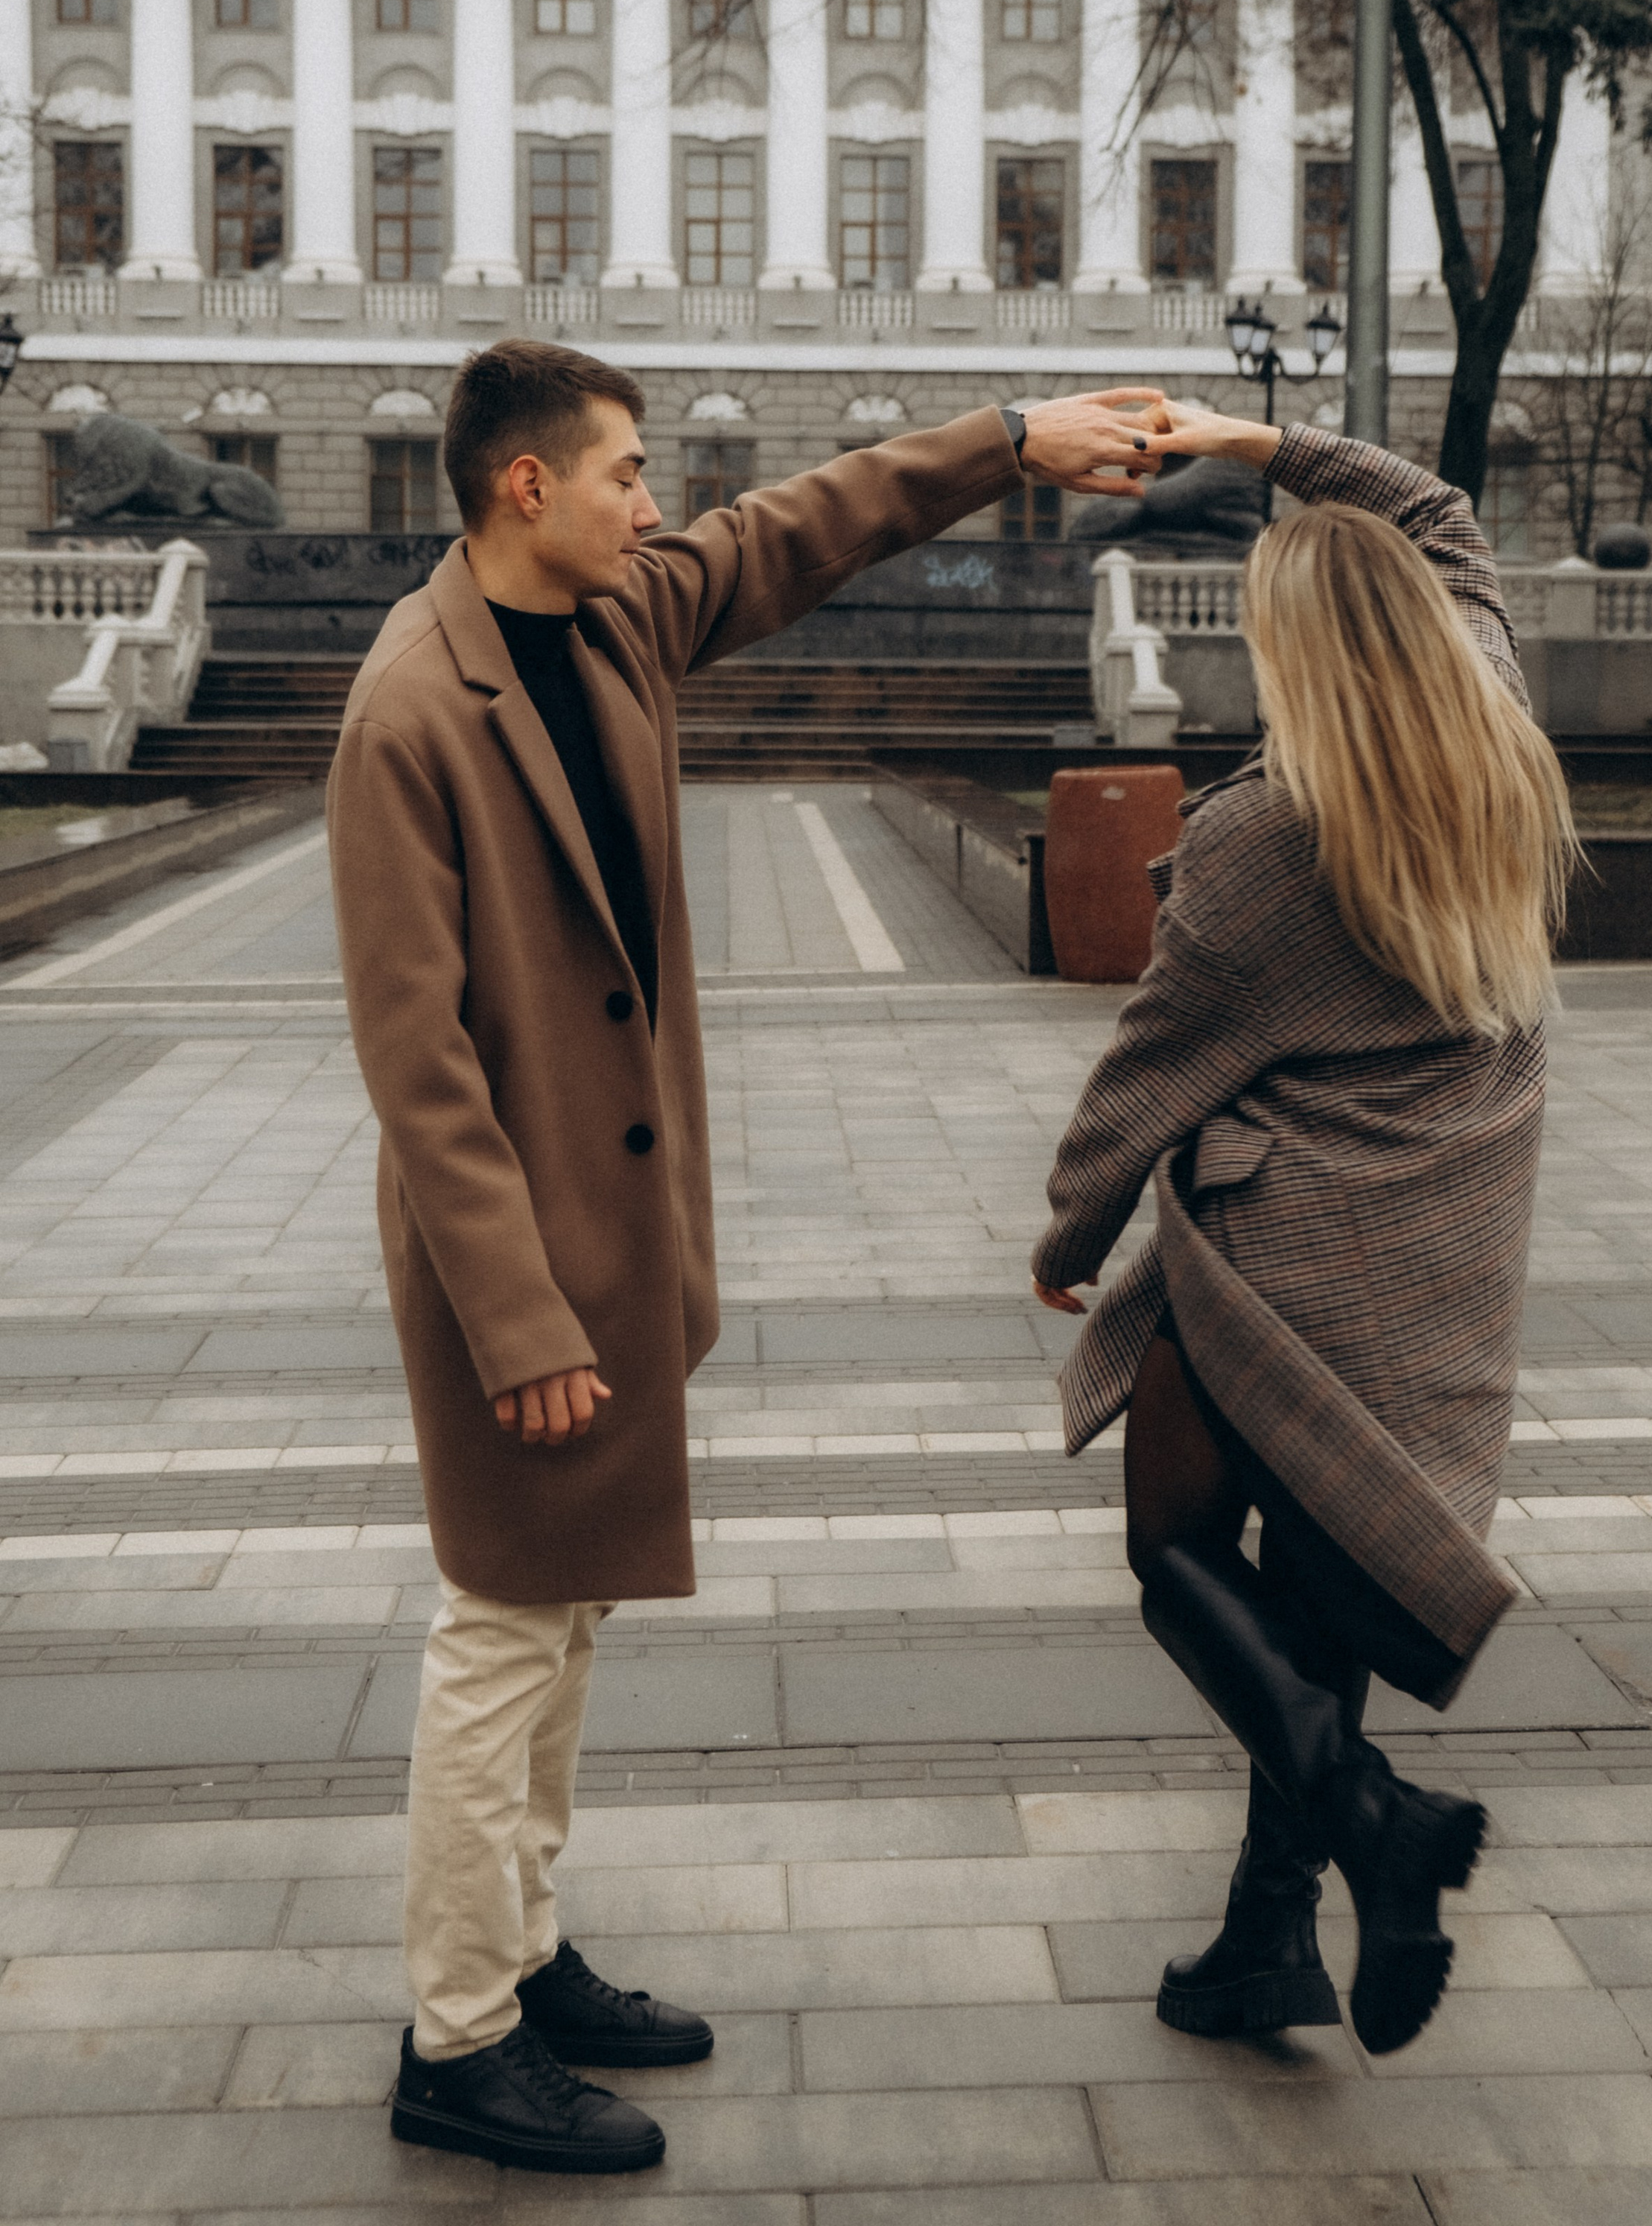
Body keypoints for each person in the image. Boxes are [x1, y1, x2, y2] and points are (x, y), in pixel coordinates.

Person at [327, 341, 1169, 2176]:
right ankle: (457, 2035)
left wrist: (1011, 438)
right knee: (500, 1628)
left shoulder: (614, 614)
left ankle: (524, 1957)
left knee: (562, 1618)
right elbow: (417, 1061)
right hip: (520, 1270)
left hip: (617, 1243)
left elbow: (808, 527)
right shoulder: (411, 708)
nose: (658, 500)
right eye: (626, 470)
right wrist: (517, 1312)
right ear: (522, 488)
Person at [1032, 403, 1578, 2059]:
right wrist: (1260, 440)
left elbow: (1154, 1059)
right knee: (1320, 1597)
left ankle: (1364, 1812)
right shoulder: (1496, 726)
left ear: (1290, 654)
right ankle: (1266, 1938)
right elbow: (1439, 513)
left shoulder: (1264, 843)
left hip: (1277, 1251)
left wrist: (1073, 1228)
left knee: (1174, 1552)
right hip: (1440, 1251)